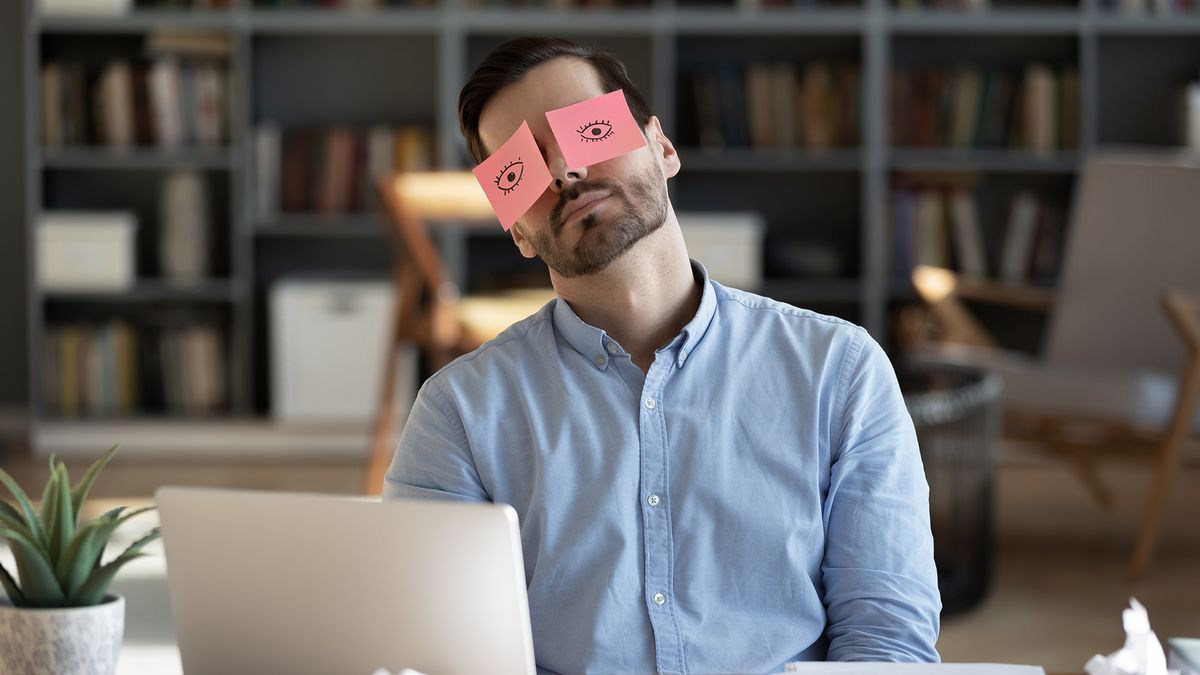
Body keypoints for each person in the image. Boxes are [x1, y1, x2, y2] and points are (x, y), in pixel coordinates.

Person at [383, 36, 941, 674]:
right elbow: (440, 655)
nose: (564, 170)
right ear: (515, 229)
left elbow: (888, 642)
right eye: (521, 168)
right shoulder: (458, 413)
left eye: (585, 129)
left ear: (662, 146)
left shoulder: (840, 372)